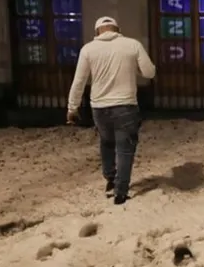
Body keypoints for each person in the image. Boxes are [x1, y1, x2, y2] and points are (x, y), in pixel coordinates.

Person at [66, 16, 156, 205]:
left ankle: (110, 179)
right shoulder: (132, 45)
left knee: (107, 142)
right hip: (125, 105)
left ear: (97, 31)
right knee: (125, 149)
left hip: (99, 107)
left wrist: (72, 107)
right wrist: (137, 70)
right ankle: (120, 192)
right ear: (117, 29)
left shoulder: (88, 49)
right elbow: (149, 72)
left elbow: (79, 81)